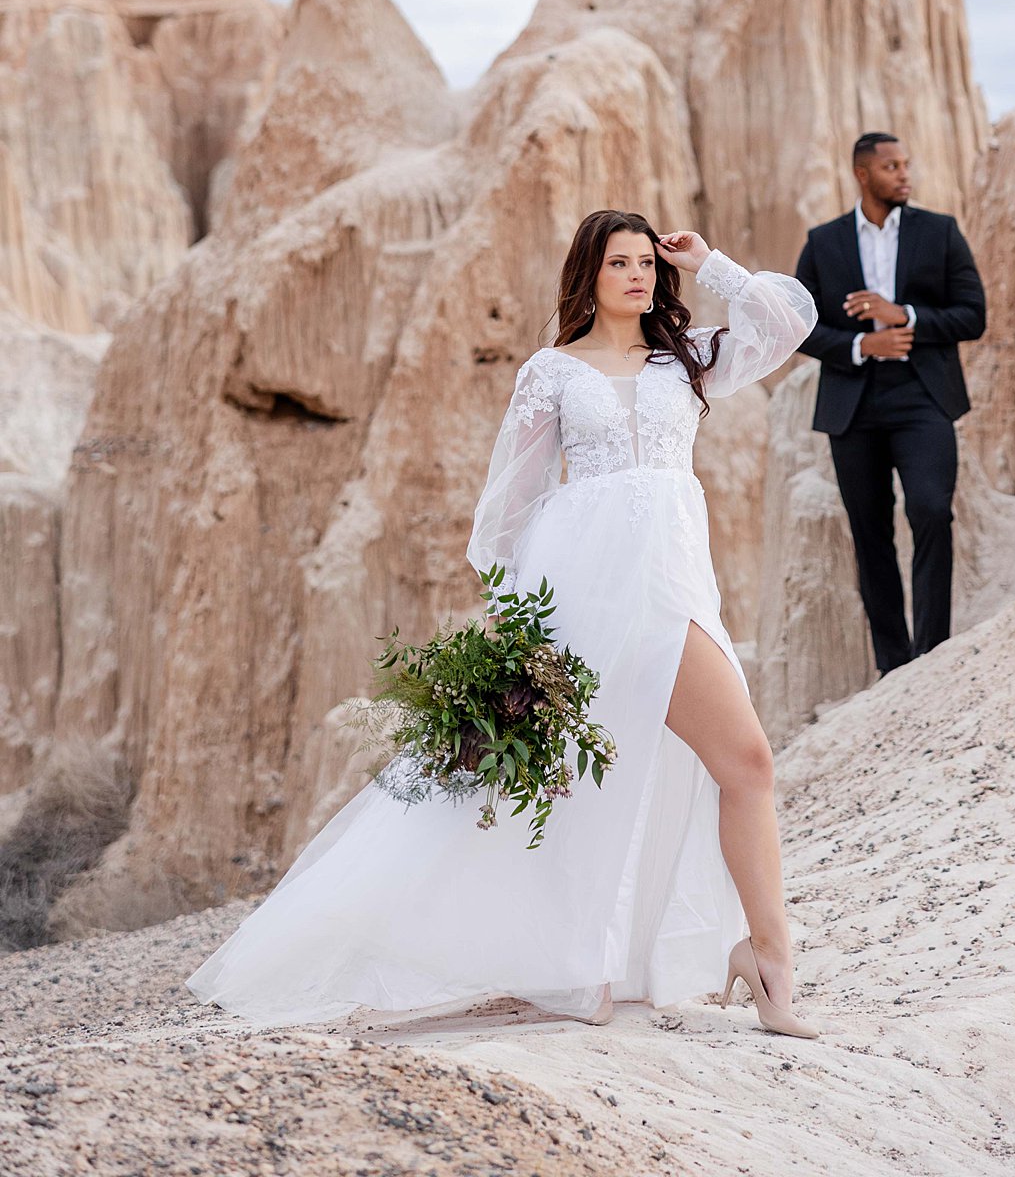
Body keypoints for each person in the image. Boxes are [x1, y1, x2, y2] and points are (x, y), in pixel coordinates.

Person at [186, 213, 820, 1039]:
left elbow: (789, 323)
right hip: (580, 597)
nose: (636, 274)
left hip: (670, 591)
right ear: (586, 274)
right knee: (573, 790)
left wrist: (710, 264)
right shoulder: (549, 372)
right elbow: (505, 511)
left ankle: (768, 962)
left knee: (746, 761)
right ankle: (563, 964)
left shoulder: (687, 358)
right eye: (617, 262)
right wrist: (516, 623)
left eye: (644, 262)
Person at [794, 134, 986, 674]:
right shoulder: (824, 242)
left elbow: (973, 315)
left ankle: (932, 653)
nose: (904, 174)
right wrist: (861, 344)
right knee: (870, 533)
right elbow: (800, 326)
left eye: (906, 165)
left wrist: (905, 316)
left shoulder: (939, 231)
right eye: (891, 166)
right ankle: (894, 664)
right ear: (863, 173)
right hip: (854, 406)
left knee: (930, 509)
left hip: (922, 396)